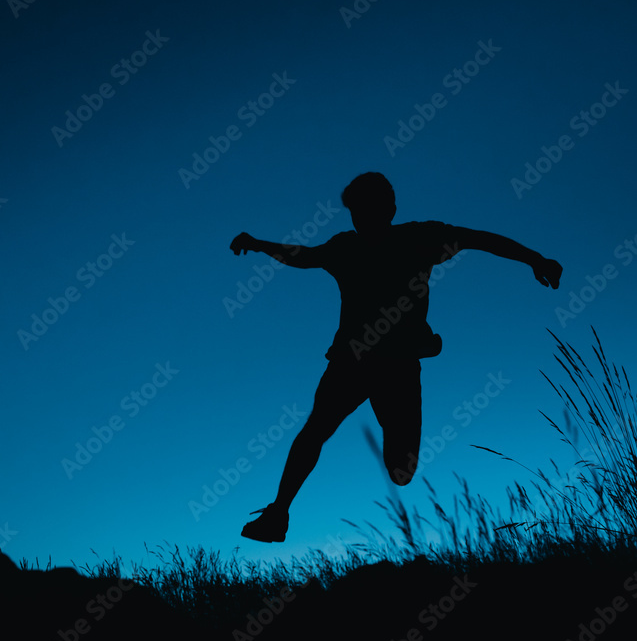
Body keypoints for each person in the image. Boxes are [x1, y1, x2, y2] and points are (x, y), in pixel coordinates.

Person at [230, 172, 562, 542]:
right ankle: (278, 512)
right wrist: (258, 244)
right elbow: (303, 256)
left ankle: (385, 431)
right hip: (352, 361)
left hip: (398, 366)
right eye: (356, 212)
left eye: (369, 210)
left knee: (401, 472)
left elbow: (478, 239)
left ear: (389, 210)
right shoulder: (346, 247)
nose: (362, 219)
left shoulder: (420, 238)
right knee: (315, 430)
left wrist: (534, 258)